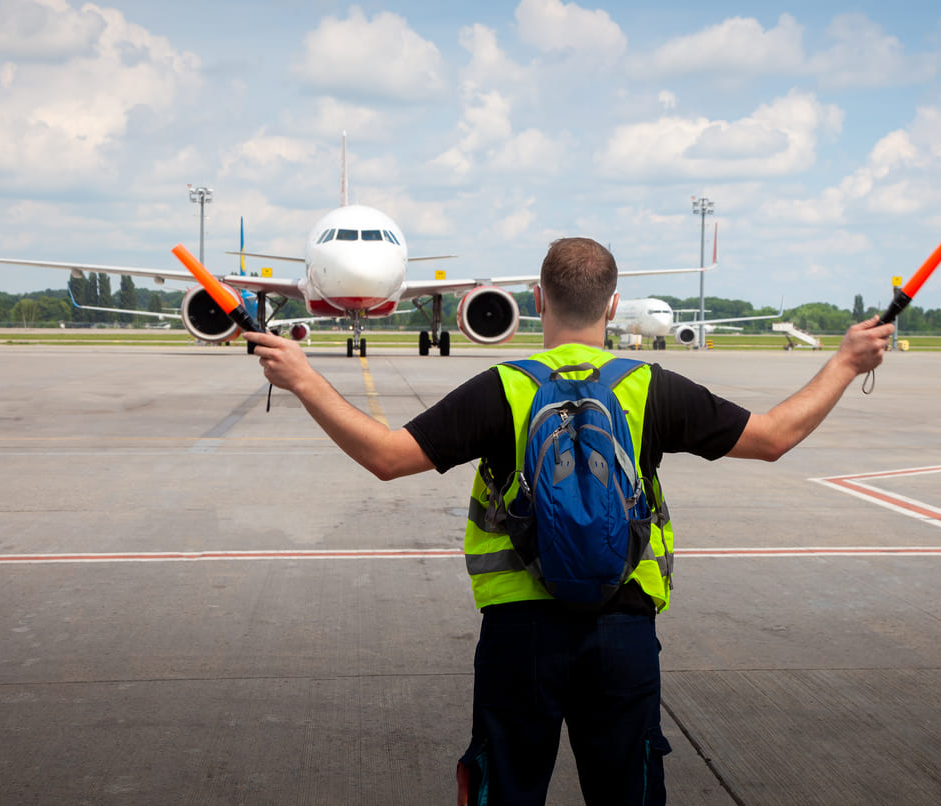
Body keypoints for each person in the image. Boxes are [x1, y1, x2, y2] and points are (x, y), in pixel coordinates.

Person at [245, 237, 893, 805]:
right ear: (613, 306)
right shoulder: (651, 387)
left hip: (517, 635)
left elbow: (387, 457)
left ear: (537, 298)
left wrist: (305, 379)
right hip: (623, 633)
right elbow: (774, 436)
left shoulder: (504, 387)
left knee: (508, 789)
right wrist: (843, 361)